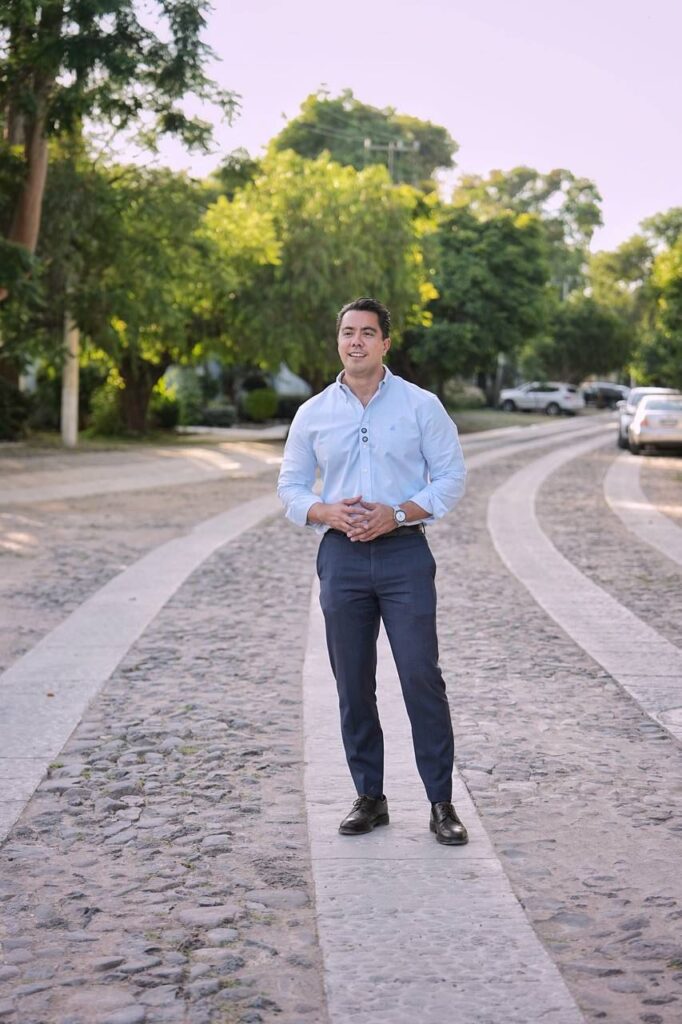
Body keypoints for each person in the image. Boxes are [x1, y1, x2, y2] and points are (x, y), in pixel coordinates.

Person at [277, 297, 468, 845]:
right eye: (347, 332)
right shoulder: (313, 412)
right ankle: (370, 796)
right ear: (338, 341)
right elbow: (290, 486)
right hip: (341, 558)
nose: (355, 341)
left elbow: (451, 477)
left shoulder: (421, 405)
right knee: (353, 681)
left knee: (420, 676)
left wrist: (398, 513)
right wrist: (325, 512)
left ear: (385, 342)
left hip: (405, 554)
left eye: (366, 332)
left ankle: (441, 802)